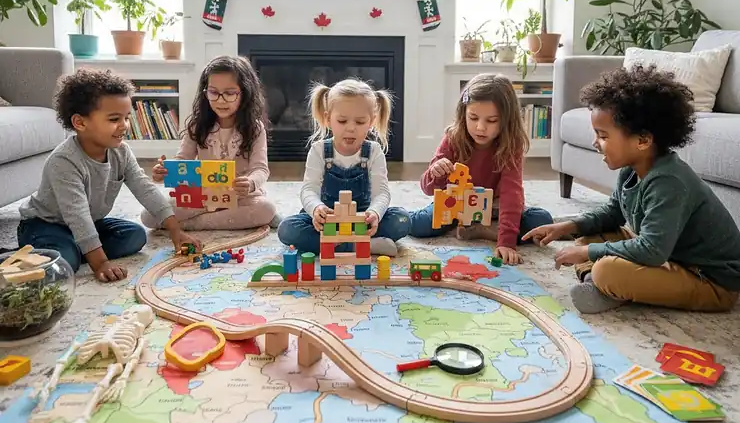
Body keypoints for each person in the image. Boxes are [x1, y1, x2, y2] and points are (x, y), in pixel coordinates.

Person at [524, 64, 740, 313]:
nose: (595, 142)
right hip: (669, 254)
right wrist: (568, 227)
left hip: (709, 280)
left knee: (604, 267)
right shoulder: (631, 167)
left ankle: (605, 283)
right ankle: (600, 284)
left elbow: (652, 250)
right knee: (588, 237)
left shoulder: (669, 182)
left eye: (603, 136)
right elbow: (613, 214)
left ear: (643, 140)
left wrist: (588, 253)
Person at [18, 68, 200, 283]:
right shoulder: (63, 161)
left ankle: (82, 247)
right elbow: (77, 214)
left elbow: (145, 188)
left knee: (135, 236)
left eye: (126, 118)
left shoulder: (121, 151)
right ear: (80, 123)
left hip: (90, 222)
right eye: (114, 119)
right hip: (45, 224)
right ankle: (77, 250)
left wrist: (174, 230)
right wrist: (100, 262)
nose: (124, 126)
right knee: (63, 263)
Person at [408, 73, 553, 264]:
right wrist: (436, 172)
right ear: (463, 113)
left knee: (541, 221)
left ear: (507, 119)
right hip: (457, 204)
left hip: (493, 206)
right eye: (473, 118)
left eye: (492, 121)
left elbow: (512, 192)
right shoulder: (453, 138)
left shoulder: (511, 145)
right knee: (418, 225)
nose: (480, 127)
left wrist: (506, 242)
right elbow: (427, 188)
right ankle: (472, 225)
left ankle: (482, 229)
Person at [278, 78, 410, 256]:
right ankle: (361, 246)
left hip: (361, 221)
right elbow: (309, 189)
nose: (350, 128)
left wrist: (375, 213)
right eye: (342, 121)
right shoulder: (319, 151)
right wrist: (316, 208)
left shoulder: (374, 151)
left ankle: (341, 244)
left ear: (371, 121)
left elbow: (382, 193)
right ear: (328, 119)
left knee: (402, 219)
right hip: (327, 222)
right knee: (287, 229)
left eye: (360, 122)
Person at [144, 55, 278, 231]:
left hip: (240, 196)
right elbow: (183, 159)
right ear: (205, 92)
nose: (220, 100)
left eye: (229, 93)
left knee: (266, 209)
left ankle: (192, 224)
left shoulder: (254, 128)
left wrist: (250, 182)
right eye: (214, 92)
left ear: (245, 94)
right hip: (202, 195)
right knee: (149, 215)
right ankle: (221, 218)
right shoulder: (197, 125)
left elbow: (261, 169)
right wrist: (166, 171)